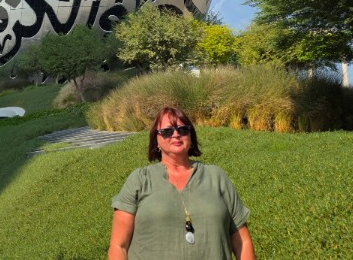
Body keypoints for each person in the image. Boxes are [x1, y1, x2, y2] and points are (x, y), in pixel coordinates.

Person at [109, 107, 256, 259]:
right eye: (167, 131)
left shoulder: (216, 178)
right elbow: (119, 246)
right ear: (156, 139)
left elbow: (242, 243)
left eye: (183, 129)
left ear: (191, 136)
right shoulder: (140, 180)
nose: (176, 134)